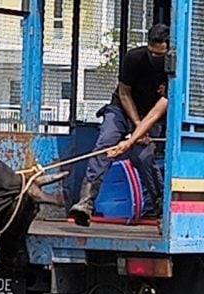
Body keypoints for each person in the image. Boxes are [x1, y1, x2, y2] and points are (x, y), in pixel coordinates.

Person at [69, 23, 170, 226]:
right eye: (151, 52)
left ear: (168, 49)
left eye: (159, 55)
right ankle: (85, 203)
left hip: (149, 115)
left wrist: (137, 135)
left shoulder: (174, 68)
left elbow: (157, 112)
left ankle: (160, 204)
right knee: (105, 143)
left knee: (144, 155)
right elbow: (124, 93)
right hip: (122, 109)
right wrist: (136, 124)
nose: (154, 58)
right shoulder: (134, 58)